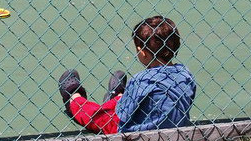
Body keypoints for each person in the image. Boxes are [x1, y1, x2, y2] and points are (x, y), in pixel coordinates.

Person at [57, 15, 196, 134]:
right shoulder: (185, 74)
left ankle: (74, 98)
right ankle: (117, 95)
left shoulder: (141, 80)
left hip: (134, 134)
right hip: (175, 131)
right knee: (144, 98)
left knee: (97, 116)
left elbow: (122, 114)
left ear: (142, 52)